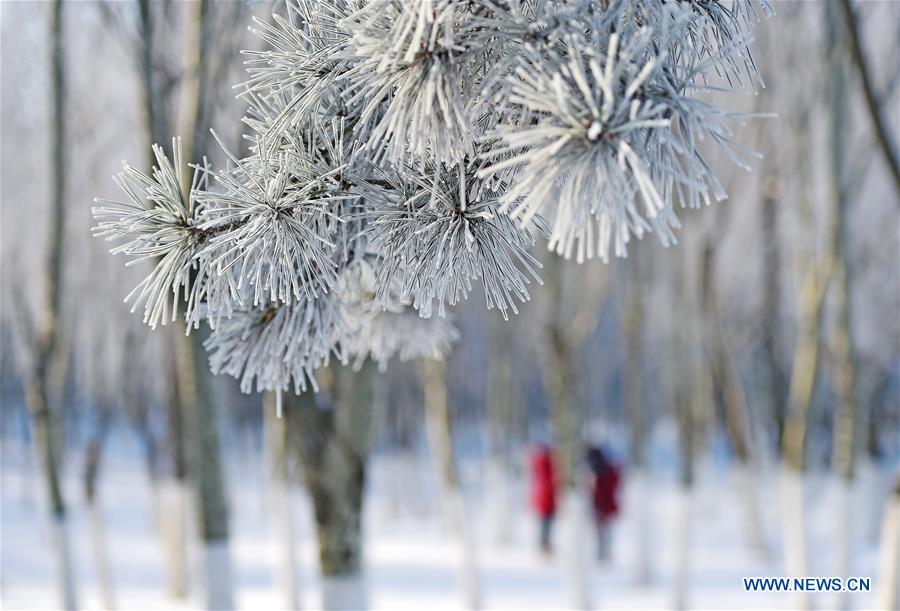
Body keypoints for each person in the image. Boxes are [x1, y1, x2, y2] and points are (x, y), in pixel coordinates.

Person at [586, 445, 621, 561]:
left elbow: (598, 491)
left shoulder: (597, 471)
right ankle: (604, 554)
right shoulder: (607, 469)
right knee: (604, 532)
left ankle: (603, 555)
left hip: (601, 506)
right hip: (604, 506)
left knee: (602, 532)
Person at [530, 443, 557, 557]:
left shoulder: (539, 463)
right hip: (546, 502)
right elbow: (548, 485)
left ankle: (544, 546)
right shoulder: (547, 464)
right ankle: (544, 547)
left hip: (544, 501)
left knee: (545, 525)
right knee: (545, 525)